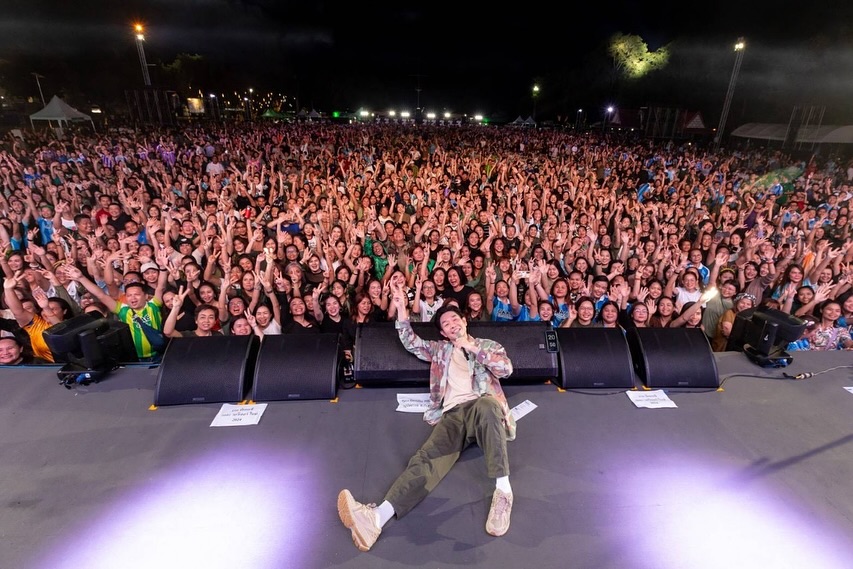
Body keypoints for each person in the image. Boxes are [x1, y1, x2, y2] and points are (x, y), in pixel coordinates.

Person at [337, 282, 516, 552]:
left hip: (481, 404)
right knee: (426, 458)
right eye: (446, 324)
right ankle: (376, 519)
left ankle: (503, 492)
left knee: (489, 407)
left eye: (455, 319)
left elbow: (505, 369)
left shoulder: (486, 345)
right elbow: (411, 341)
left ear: (464, 321)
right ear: (443, 333)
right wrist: (401, 308)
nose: (452, 325)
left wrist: (472, 348)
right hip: (452, 415)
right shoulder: (440, 350)